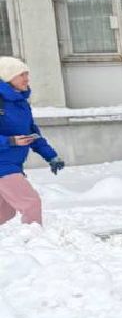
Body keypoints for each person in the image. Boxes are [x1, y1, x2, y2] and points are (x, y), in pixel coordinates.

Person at [0, 57, 64, 226]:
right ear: (8, 77)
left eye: (26, 74)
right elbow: (14, 138)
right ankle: (35, 241)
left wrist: (51, 156)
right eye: (21, 74)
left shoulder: (21, 104)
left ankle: (10, 248)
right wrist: (10, 141)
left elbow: (32, 134)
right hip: (3, 166)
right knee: (30, 203)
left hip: (13, 164)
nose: (27, 78)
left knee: (4, 212)